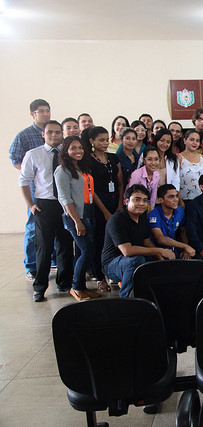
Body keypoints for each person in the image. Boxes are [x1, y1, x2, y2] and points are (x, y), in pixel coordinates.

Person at [18, 120, 74, 302]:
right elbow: (24, 181)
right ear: (43, 134)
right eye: (50, 132)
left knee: (65, 246)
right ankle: (40, 288)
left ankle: (64, 283)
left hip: (65, 205)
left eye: (58, 132)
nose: (54, 135)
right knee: (44, 247)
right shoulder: (33, 154)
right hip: (45, 205)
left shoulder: (67, 155)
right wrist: (31, 205)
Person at [102, 184, 175, 297]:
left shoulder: (141, 218)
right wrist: (159, 251)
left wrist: (161, 260)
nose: (142, 203)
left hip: (135, 259)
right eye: (137, 199)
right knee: (137, 260)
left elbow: (147, 243)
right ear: (126, 201)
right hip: (113, 264)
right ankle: (126, 300)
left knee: (162, 263)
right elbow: (127, 251)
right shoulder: (116, 220)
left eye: (145, 200)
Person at [54, 136, 102, 301]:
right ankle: (75, 287)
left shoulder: (82, 168)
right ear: (66, 151)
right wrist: (77, 221)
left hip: (89, 211)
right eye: (73, 148)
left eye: (80, 148)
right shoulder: (62, 170)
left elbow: (89, 191)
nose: (78, 151)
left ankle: (81, 287)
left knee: (82, 252)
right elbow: (65, 199)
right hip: (76, 215)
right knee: (87, 251)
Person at [10, 99, 50, 281]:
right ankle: (31, 266)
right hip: (35, 186)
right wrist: (33, 175)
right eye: (42, 111)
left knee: (53, 225)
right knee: (34, 225)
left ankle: (51, 260)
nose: (46, 114)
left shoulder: (52, 133)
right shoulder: (24, 135)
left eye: (48, 110)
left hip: (52, 187)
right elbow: (15, 158)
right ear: (33, 114)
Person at [89, 126, 124, 292]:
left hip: (115, 200)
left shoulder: (113, 157)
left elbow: (120, 183)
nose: (104, 143)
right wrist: (104, 211)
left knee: (115, 240)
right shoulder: (88, 160)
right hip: (98, 204)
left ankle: (113, 274)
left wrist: (118, 206)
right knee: (99, 240)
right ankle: (99, 276)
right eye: (100, 140)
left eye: (105, 139)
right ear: (92, 141)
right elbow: (91, 188)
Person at [148, 184, 195, 259]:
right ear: (161, 200)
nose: (176, 199)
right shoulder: (153, 215)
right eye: (171, 197)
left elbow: (182, 230)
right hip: (156, 253)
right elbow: (160, 239)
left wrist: (185, 250)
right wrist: (185, 246)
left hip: (174, 250)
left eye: (176, 196)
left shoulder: (179, 211)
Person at [178, 130, 203, 204]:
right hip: (184, 199)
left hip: (200, 199)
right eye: (192, 139)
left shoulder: (202, 157)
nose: (195, 143)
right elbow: (175, 181)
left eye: (197, 140)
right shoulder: (179, 158)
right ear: (185, 140)